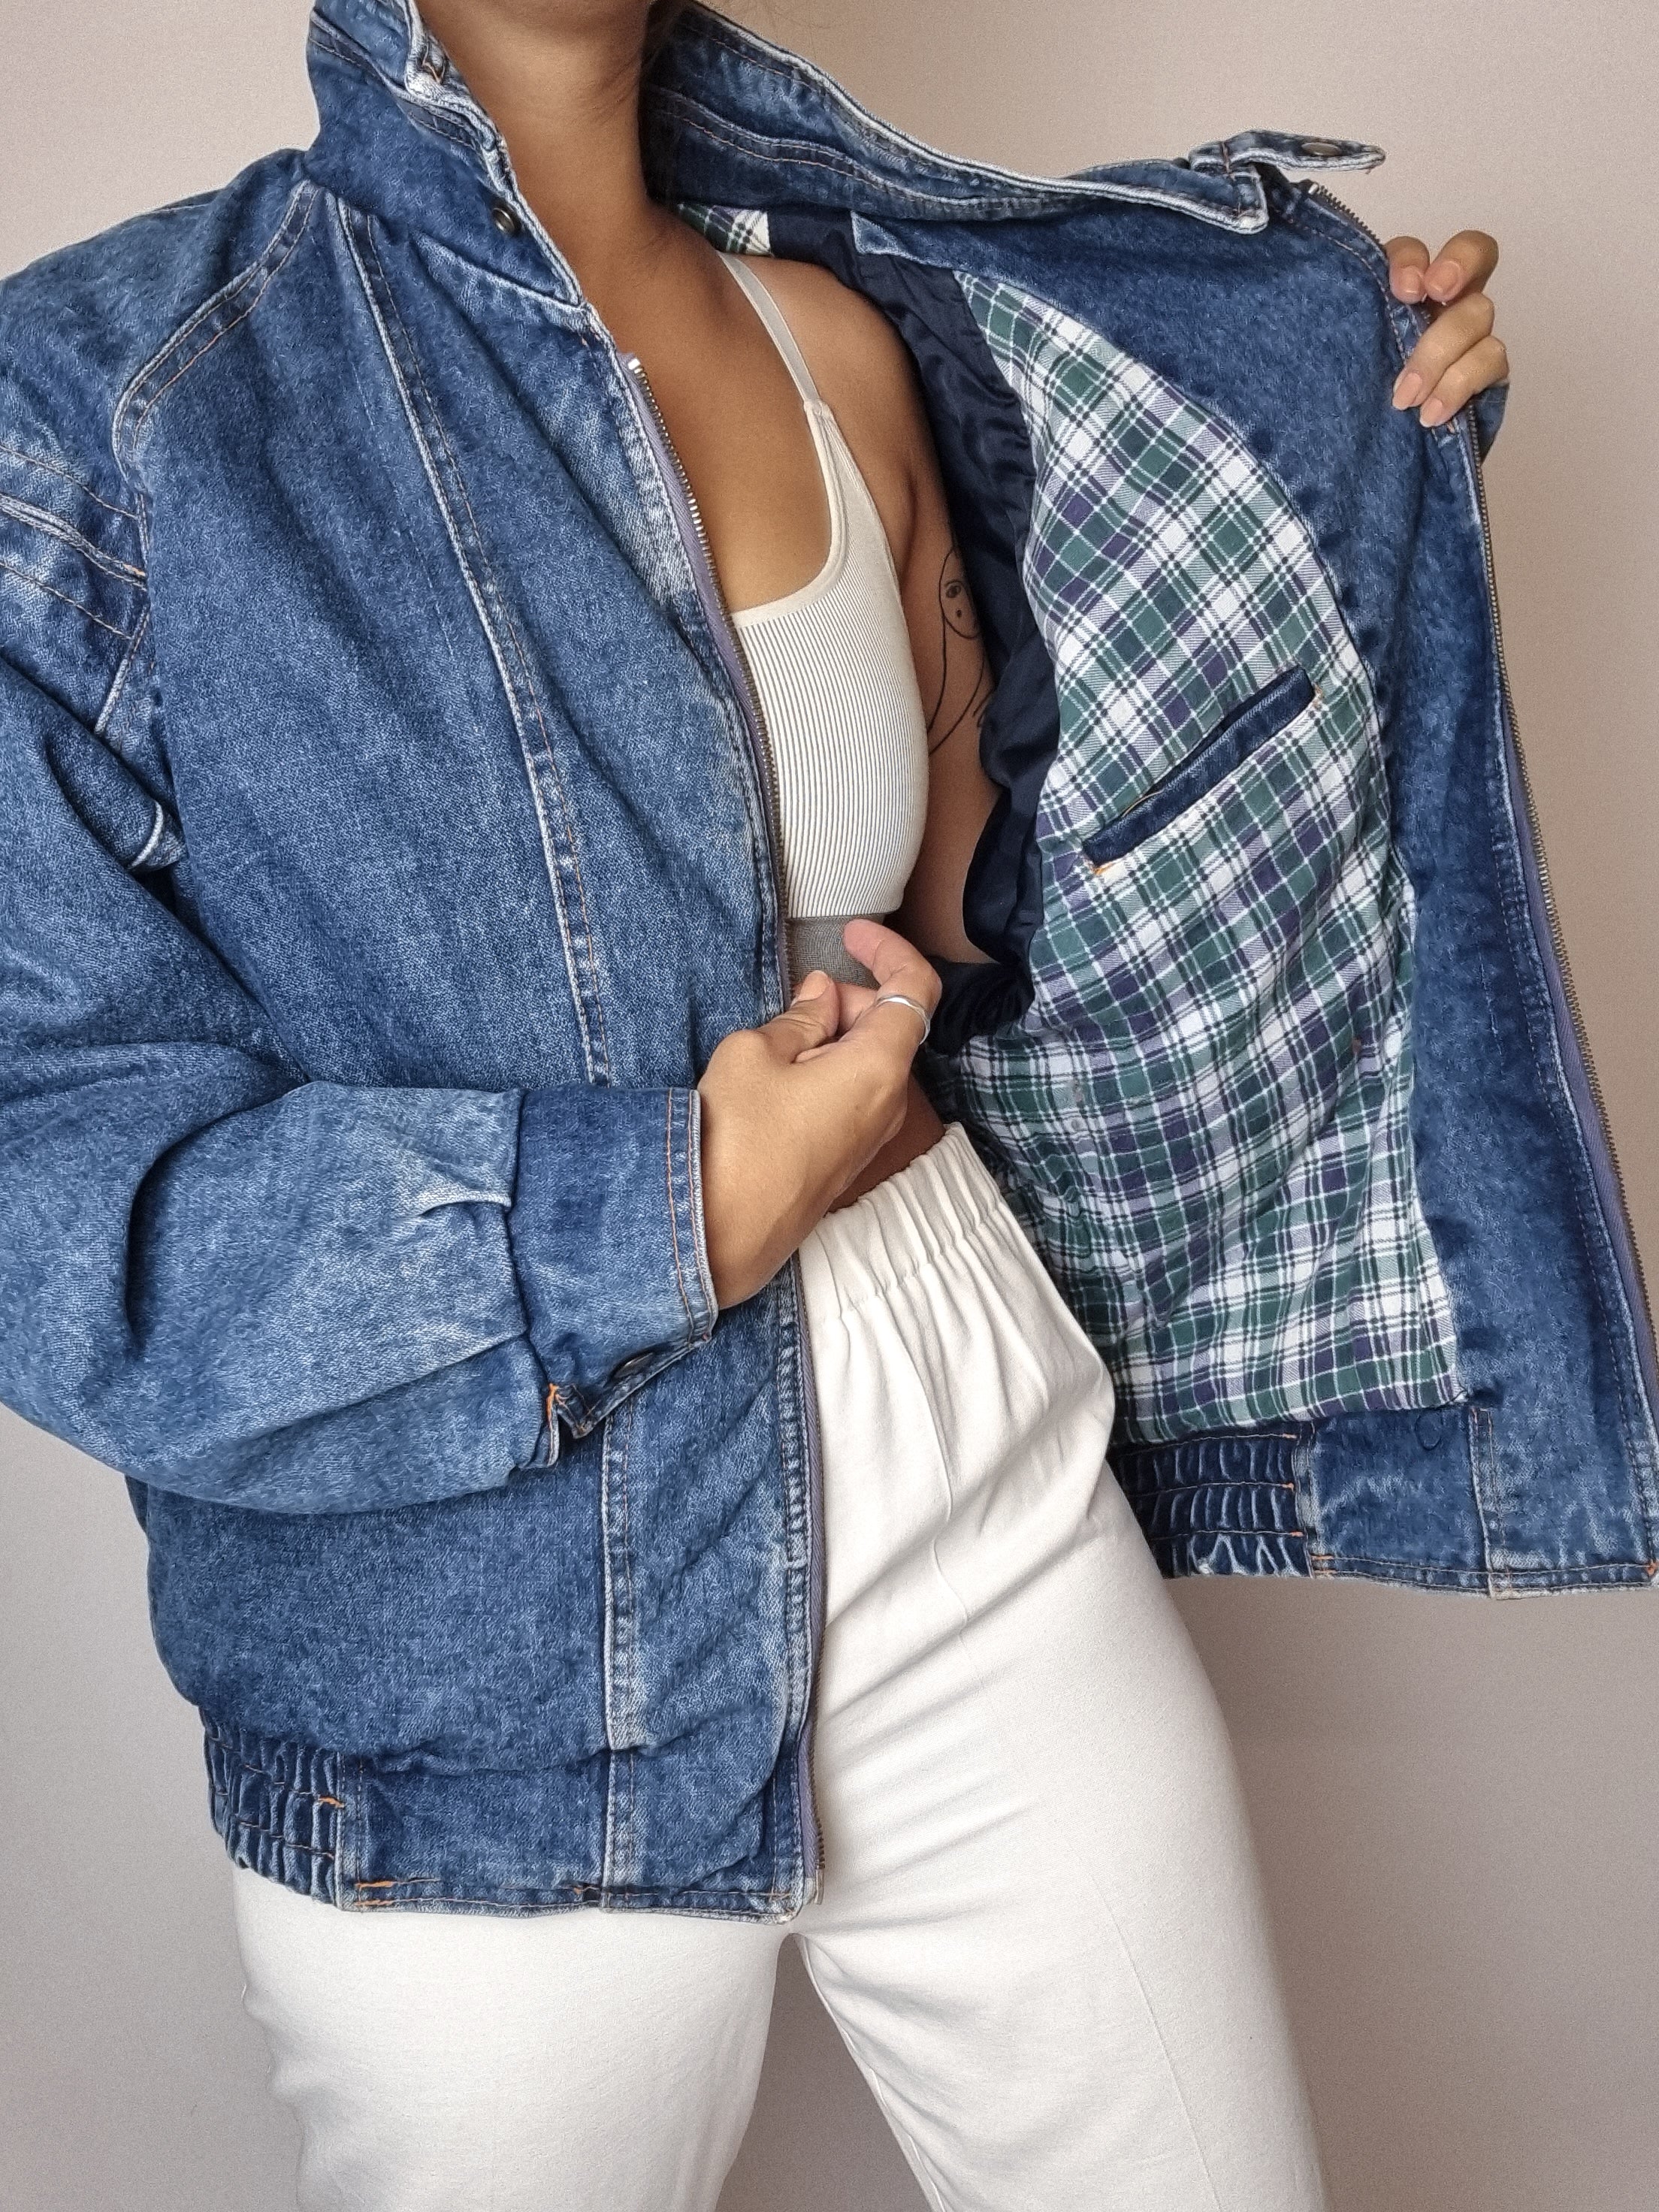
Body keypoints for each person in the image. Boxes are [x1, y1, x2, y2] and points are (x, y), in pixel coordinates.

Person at [0, 2, 1522, 2207]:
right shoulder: (99, 412)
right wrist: (668, 1204)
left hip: (974, 1470)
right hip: (481, 1630)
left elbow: (985, 925)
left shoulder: (840, 346)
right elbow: (52, 1194)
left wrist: (1332, 442)